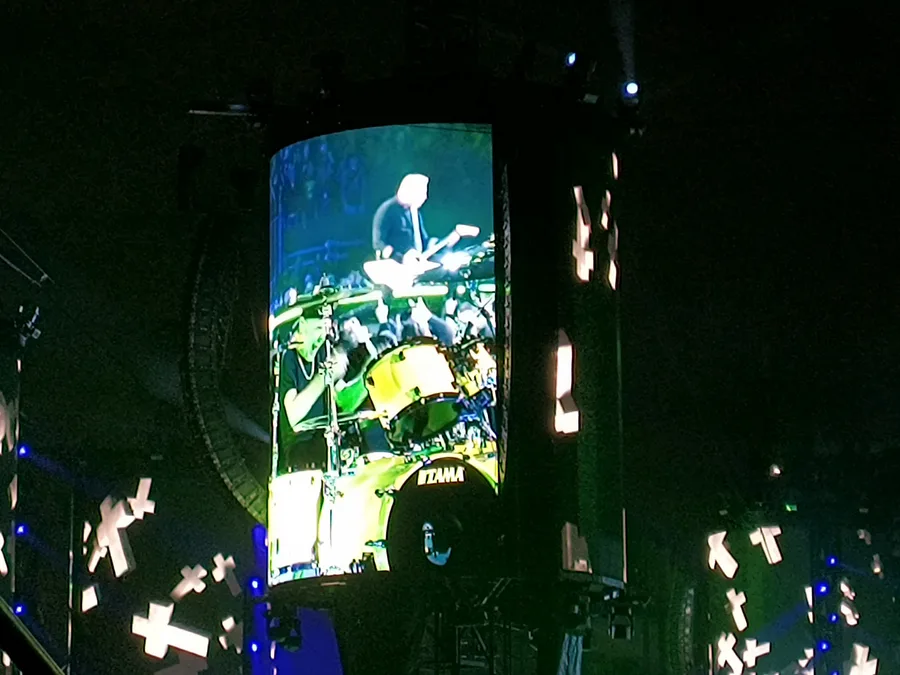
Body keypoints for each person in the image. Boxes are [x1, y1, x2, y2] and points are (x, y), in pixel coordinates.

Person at [372, 173, 437, 263]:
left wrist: (439, 243)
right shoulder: (387, 209)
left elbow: (424, 241)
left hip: (417, 264)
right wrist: (400, 257)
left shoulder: (414, 212)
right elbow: (378, 243)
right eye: (422, 193)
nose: (425, 197)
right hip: (396, 266)